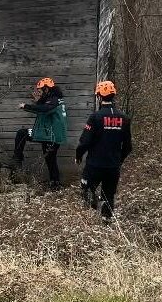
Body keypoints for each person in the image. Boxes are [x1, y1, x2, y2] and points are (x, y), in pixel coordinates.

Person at [75, 81, 133, 221]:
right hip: (113, 166)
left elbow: (84, 142)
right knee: (109, 195)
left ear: (99, 97)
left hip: (95, 165)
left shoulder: (95, 117)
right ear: (113, 96)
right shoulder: (124, 118)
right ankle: (106, 221)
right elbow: (128, 147)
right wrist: (119, 161)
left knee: (86, 188)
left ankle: (91, 216)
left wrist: (78, 156)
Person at [13, 77, 68, 188]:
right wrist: (38, 101)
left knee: (22, 134)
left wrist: (25, 106)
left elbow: (44, 109)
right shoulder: (54, 99)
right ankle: (55, 183)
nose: (39, 93)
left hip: (50, 136)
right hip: (47, 134)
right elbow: (44, 108)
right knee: (50, 159)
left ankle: (17, 159)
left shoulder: (53, 100)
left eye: (40, 90)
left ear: (46, 89)